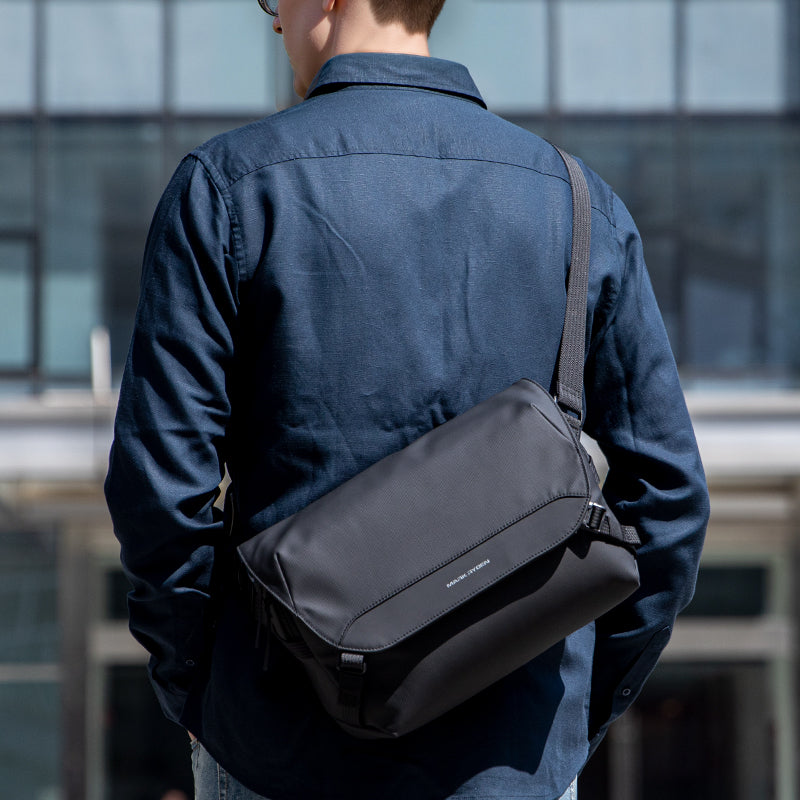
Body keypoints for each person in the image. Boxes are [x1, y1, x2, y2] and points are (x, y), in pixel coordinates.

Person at [104, 1, 709, 799]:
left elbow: (161, 495)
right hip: (514, 757)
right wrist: (567, 719)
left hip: (279, 753)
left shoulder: (226, 190)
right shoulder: (578, 204)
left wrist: (205, 693)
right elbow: (667, 505)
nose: (274, 22)